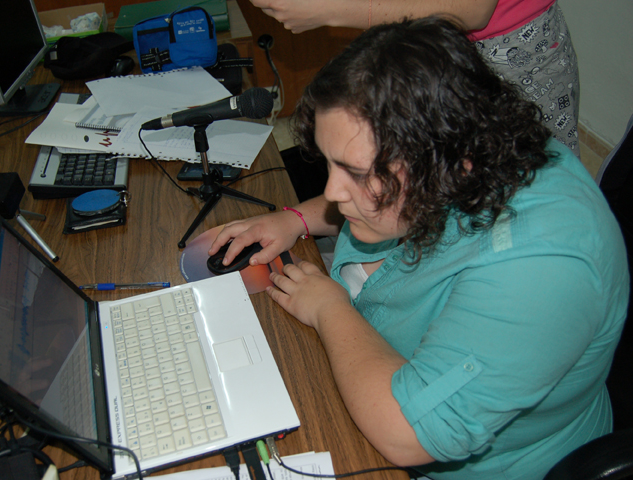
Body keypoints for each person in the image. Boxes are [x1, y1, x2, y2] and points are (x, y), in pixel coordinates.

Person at [209, 18, 628, 480]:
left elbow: (409, 434)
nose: (331, 192)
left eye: (357, 174)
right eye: (331, 165)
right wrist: (297, 219)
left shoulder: (542, 270)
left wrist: (330, 309)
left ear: (447, 162)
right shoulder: (473, 147)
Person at [249, 0, 581, 157]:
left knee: (528, 173)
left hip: (508, 47)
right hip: (427, 38)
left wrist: (331, 9)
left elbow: (474, 10)